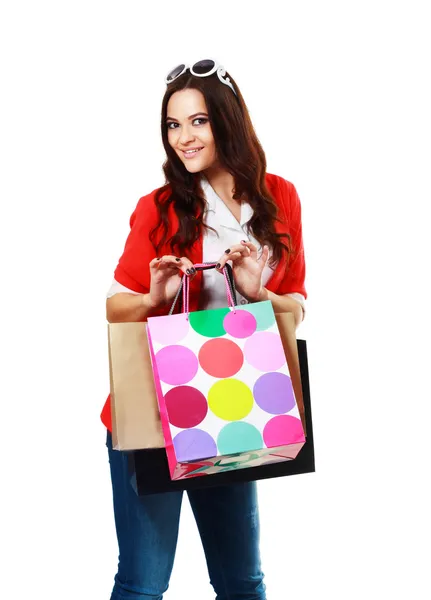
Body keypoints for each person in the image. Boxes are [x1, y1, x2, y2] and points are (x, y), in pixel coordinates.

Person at [102, 59, 307, 600]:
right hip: (155, 413)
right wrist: (152, 298)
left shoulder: (278, 199)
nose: (183, 138)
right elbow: (115, 309)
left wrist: (258, 291)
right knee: (143, 583)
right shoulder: (160, 207)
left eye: (197, 122)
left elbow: (297, 309)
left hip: (234, 408)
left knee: (242, 582)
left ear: (227, 120)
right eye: (173, 125)